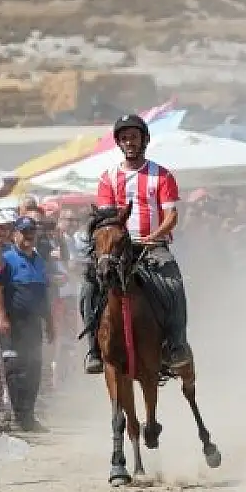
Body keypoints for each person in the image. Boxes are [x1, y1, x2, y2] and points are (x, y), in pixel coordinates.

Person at [82, 113, 191, 382]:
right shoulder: (108, 177)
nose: (130, 142)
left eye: (134, 136)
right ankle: (94, 350)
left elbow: (171, 216)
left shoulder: (162, 175)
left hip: (153, 246)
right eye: (125, 138)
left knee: (174, 284)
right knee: (87, 287)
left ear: (144, 139)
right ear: (119, 143)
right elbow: (105, 218)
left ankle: (176, 345)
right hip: (118, 249)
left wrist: (152, 236)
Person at [0, 216, 53, 432]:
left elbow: (45, 293)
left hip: (34, 323)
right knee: (15, 369)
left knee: (34, 368)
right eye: (24, 232)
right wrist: (1, 317)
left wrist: (50, 322)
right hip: (13, 323)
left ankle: (29, 415)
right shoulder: (5, 259)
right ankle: (18, 416)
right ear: (15, 234)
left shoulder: (39, 259)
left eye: (31, 232)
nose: (28, 236)